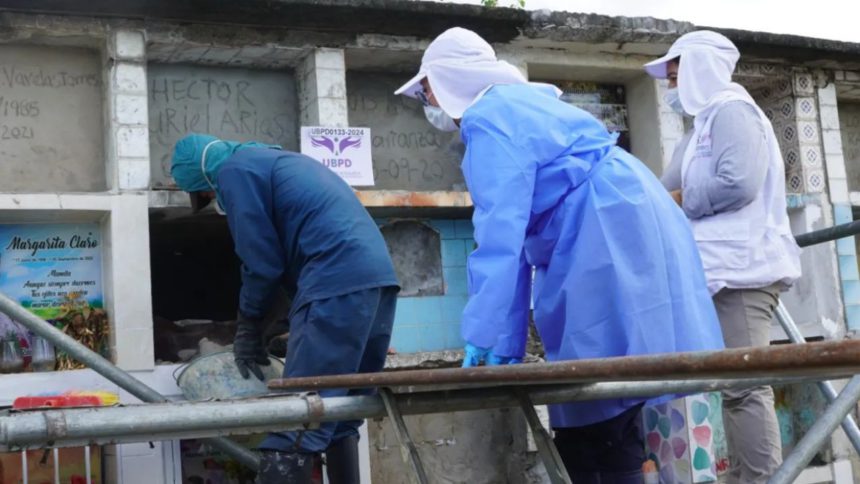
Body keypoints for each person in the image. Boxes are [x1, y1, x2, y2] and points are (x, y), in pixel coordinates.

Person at [396, 27, 725, 483]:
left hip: (601, 229)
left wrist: (483, 335)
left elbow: (499, 239)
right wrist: (503, 343)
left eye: (426, 88)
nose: (428, 102)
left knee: (598, 397)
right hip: (630, 211)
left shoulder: (488, 118)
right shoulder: (525, 103)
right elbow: (511, 245)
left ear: (448, 78)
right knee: (641, 379)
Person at [171, 135, 400, 484]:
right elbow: (281, 271)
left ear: (205, 180)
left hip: (336, 281)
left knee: (298, 416)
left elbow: (262, 264)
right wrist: (266, 330)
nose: (214, 200)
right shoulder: (276, 163)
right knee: (338, 415)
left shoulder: (234, 171)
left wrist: (247, 327)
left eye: (208, 195)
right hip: (378, 283)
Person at [645, 31, 802, 483]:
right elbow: (661, 190)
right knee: (731, 386)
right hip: (718, 273)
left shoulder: (735, 112)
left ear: (700, 70)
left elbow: (738, 183)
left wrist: (678, 198)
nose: (671, 89)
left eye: (676, 77)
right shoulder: (700, 129)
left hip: (744, 272)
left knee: (745, 387)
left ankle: (758, 479)